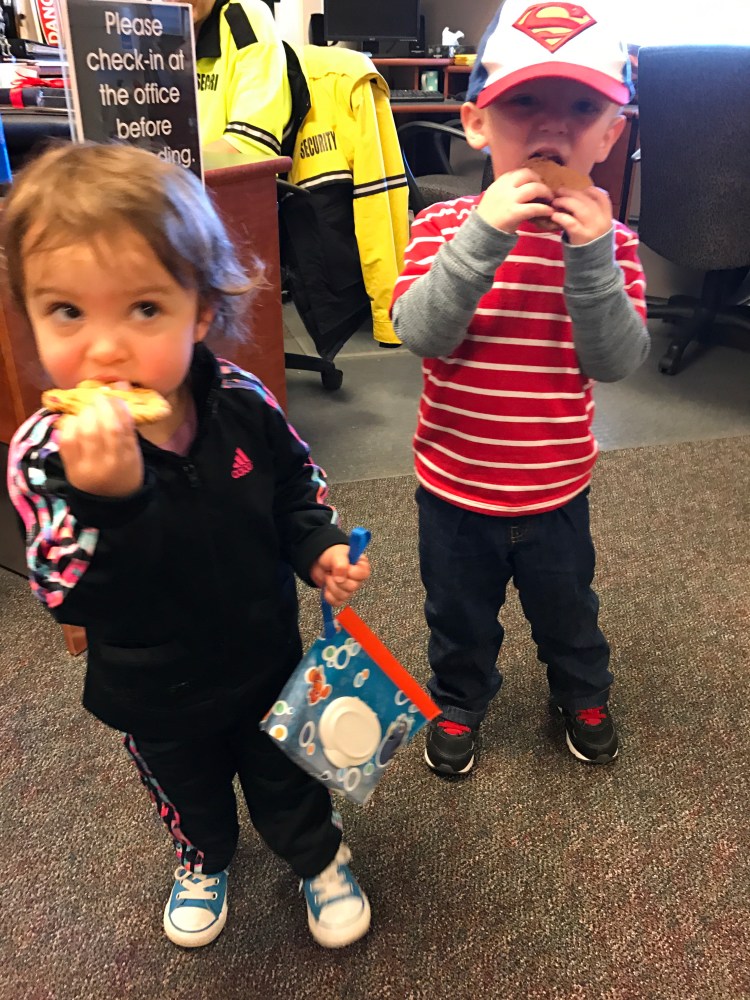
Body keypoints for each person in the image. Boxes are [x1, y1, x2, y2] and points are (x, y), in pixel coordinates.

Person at [5, 142, 372, 949]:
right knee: (188, 792)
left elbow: (293, 484)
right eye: (67, 311)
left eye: (144, 309)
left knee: (290, 775)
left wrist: (317, 546)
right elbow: (64, 593)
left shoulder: (241, 401)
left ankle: (317, 857)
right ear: (28, 313)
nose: (105, 348)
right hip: (154, 688)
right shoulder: (44, 454)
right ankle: (202, 861)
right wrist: (110, 501)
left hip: (265, 654)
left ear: (201, 311)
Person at [390, 0, 650, 775]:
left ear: (611, 134)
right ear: (477, 123)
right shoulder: (442, 228)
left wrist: (591, 257)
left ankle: (582, 693)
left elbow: (615, 360)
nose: (552, 127)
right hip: (454, 489)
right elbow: (420, 332)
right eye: (525, 101)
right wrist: (483, 236)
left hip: (555, 490)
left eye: (582, 108)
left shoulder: (613, 244)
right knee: (458, 618)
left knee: (569, 612)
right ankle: (459, 699)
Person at [177, 0, 308, 160]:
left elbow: (248, 148)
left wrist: (168, 169)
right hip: (182, 172)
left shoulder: (245, 19)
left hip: (227, 173)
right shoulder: (158, 28)